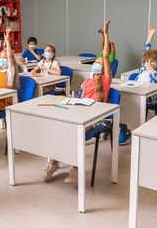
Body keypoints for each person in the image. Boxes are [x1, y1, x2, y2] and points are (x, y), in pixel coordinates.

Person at [41, 19, 112, 184]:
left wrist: (106, 34)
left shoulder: (106, 80)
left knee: (74, 132)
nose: (96, 65)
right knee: (57, 126)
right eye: (95, 62)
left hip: (94, 118)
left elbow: (106, 55)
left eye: (100, 63)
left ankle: (76, 168)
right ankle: (53, 163)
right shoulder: (87, 82)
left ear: (104, 69)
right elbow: (79, 100)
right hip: (79, 112)